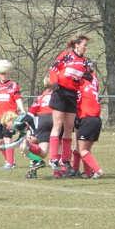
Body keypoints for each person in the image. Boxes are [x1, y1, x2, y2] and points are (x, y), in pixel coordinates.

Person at [48, 36, 91, 177]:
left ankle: (65, 160)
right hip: (60, 92)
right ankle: (53, 158)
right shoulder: (66, 55)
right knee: (58, 125)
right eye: (84, 45)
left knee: (69, 128)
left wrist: (88, 77)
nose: (85, 47)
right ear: (77, 45)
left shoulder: (85, 62)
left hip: (72, 95)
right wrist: (54, 82)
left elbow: (87, 78)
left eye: (86, 45)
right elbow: (53, 69)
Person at [0, 60, 25, 170]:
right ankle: (9, 161)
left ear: (8, 73)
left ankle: (10, 163)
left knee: (7, 139)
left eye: (5, 73)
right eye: (1, 73)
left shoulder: (13, 85)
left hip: (9, 117)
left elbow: (18, 98)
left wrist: (22, 109)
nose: (3, 75)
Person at [73, 66, 103, 179]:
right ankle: (88, 172)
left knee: (82, 150)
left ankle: (98, 171)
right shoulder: (91, 85)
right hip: (96, 120)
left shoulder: (81, 86)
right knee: (87, 150)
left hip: (87, 119)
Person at [0, 110, 47, 178]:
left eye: (5, 125)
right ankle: (35, 168)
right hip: (40, 128)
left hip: (40, 130)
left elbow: (30, 121)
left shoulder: (17, 123)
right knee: (25, 147)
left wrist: (32, 135)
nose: (6, 127)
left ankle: (39, 161)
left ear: (9, 120)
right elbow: (20, 138)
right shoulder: (18, 122)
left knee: (25, 146)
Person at [26, 76, 54, 175]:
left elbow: (31, 113)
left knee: (43, 151)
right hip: (56, 118)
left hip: (43, 121)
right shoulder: (59, 95)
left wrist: (28, 130)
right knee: (60, 143)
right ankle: (60, 169)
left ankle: (36, 159)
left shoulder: (41, 97)